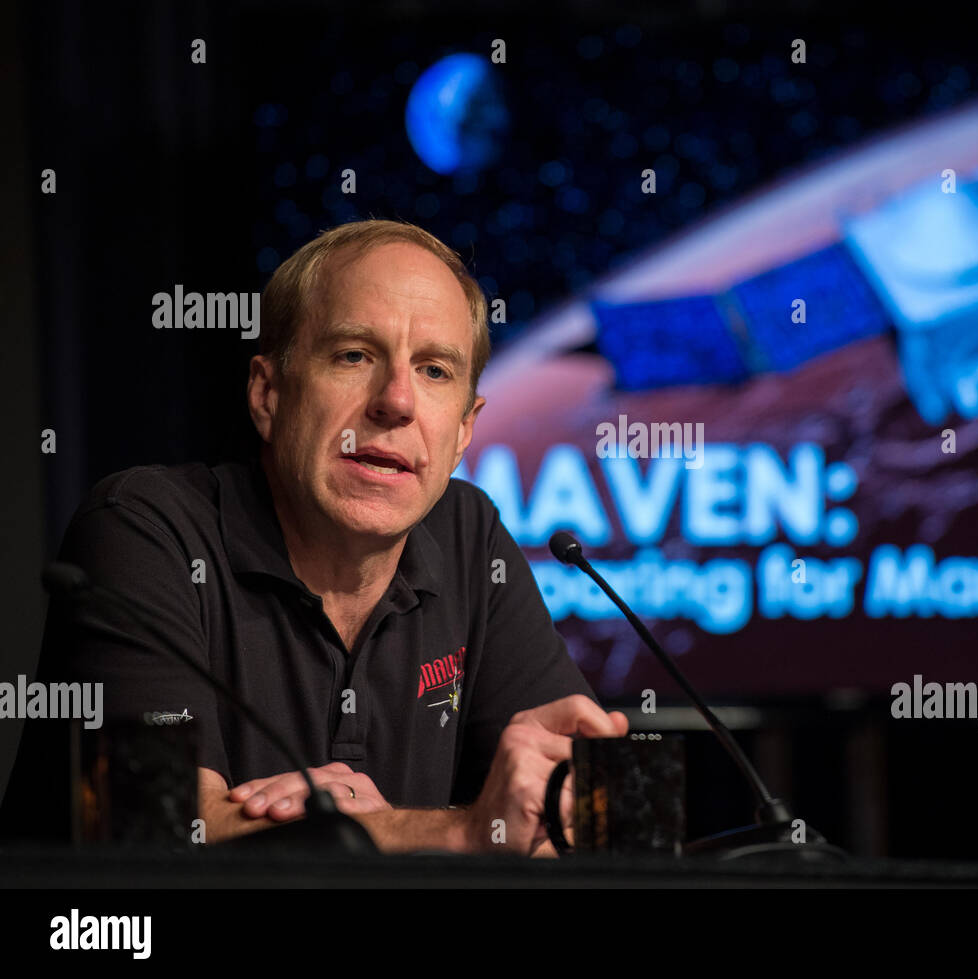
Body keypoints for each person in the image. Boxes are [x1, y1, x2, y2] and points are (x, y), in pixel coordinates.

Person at [5, 219, 627, 854]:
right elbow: (157, 827)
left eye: (435, 370)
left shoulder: (470, 536)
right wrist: (459, 829)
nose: (397, 402)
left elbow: (573, 818)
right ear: (268, 394)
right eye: (354, 356)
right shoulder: (144, 529)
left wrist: (360, 831)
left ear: (465, 429)